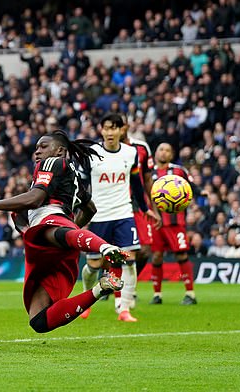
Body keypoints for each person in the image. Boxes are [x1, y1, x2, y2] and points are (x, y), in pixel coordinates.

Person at [0, 130, 127, 334]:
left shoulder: (52, 163)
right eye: (36, 148)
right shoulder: (73, 176)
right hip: (58, 235)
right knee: (39, 321)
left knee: (51, 233)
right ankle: (100, 288)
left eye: (43, 146)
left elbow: (35, 199)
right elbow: (90, 209)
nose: (37, 152)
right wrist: (73, 229)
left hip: (50, 219)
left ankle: (105, 247)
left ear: (59, 150)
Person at [80, 113, 159, 322]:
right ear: (101, 130)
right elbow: (82, 185)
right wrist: (81, 211)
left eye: (114, 128)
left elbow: (136, 183)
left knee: (130, 261)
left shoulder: (131, 153)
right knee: (94, 266)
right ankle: (86, 302)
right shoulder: (92, 153)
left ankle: (124, 309)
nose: (110, 132)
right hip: (99, 216)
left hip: (124, 214)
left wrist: (145, 208)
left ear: (121, 130)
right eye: (106, 128)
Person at [149, 142, 198, 305]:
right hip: (155, 222)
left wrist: (200, 192)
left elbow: (191, 187)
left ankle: (190, 294)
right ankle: (157, 295)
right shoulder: (148, 172)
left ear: (171, 154)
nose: (164, 153)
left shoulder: (178, 171)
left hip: (175, 221)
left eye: (167, 150)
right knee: (156, 256)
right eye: (161, 149)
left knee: (181, 254)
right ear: (156, 153)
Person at [122, 123, 162, 302]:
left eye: (118, 126)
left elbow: (147, 179)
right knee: (111, 253)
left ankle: (129, 284)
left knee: (145, 250)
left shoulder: (141, 147)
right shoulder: (102, 149)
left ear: (125, 127)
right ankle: (113, 283)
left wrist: (154, 208)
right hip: (115, 203)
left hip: (138, 204)